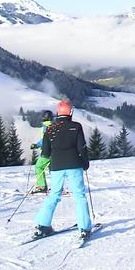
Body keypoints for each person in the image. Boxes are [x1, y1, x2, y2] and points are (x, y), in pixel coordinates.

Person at [33, 100, 92, 244]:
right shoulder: (76, 127)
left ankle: (42, 225)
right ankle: (84, 228)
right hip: (74, 165)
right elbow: (82, 147)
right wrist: (85, 163)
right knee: (79, 196)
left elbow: (46, 152)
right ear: (70, 112)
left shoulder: (50, 129)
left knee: (54, 195)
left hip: (56, 167)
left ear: (58, 113)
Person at [29, 110, 54, 194]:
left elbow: (45, 139)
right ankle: (57, 187)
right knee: (52, 169)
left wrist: (36, 145)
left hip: (47, 152)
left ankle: (42, 186)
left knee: (39, 167)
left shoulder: (46, 126)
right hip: (54, 152)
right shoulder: (54, 125)